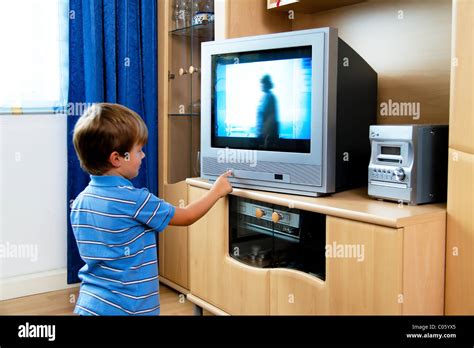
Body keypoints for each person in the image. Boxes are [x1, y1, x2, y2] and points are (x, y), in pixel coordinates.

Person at [71, 103, 232, 316]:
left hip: (90, 305)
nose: (144, 156)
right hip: (129, 308)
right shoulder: (135, 200)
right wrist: (216, 191)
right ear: (117, 158)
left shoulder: (80, 201)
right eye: (138, 150)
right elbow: (186, 216)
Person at [256, 74, 279, 147]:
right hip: (263, 135)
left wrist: (266, 138)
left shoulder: (270, 97)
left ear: (266, 84)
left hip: (267, 136)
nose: (261, 85)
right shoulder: (265, 97)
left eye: (262, 83)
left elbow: (270, 119)